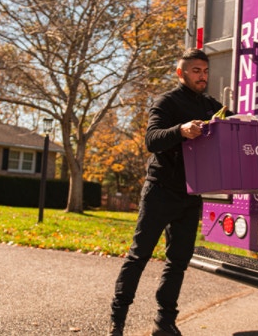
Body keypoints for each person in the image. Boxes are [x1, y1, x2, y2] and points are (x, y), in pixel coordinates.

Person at [108, 48, 227, 336]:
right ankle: (117, 320)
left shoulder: (212, 105)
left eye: (205, 71)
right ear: (181, 73)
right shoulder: (167, 102)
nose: (202, 76)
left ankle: (164, 322)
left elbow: (233, 128)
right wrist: (181, 130)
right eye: (196, 70)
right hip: (160, 191)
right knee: (139, 256)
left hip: (191, 194)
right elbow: (151, 140)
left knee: (178, 262)